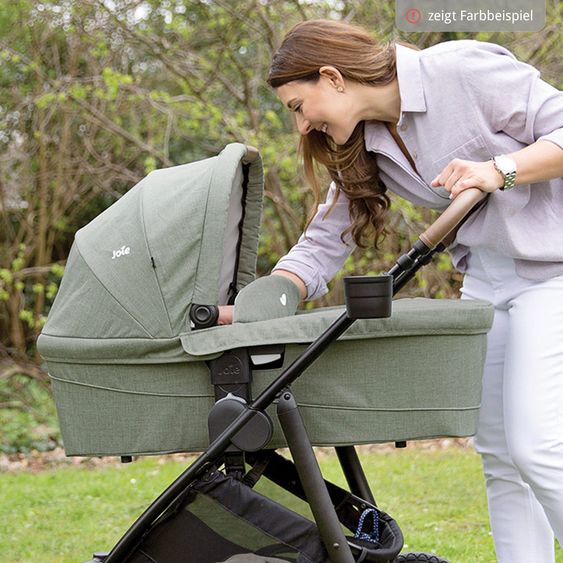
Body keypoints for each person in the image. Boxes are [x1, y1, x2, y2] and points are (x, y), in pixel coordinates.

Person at [219, 19, 563, 562]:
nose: (302, 123)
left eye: (297, 105)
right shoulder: (365, 143)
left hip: (555, 272)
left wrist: (501, 168)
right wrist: (258, 304)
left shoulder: (462, 69)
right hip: (486, 282)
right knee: (498, 453)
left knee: (537, 447)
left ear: (332, 77)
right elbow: (321, 242)